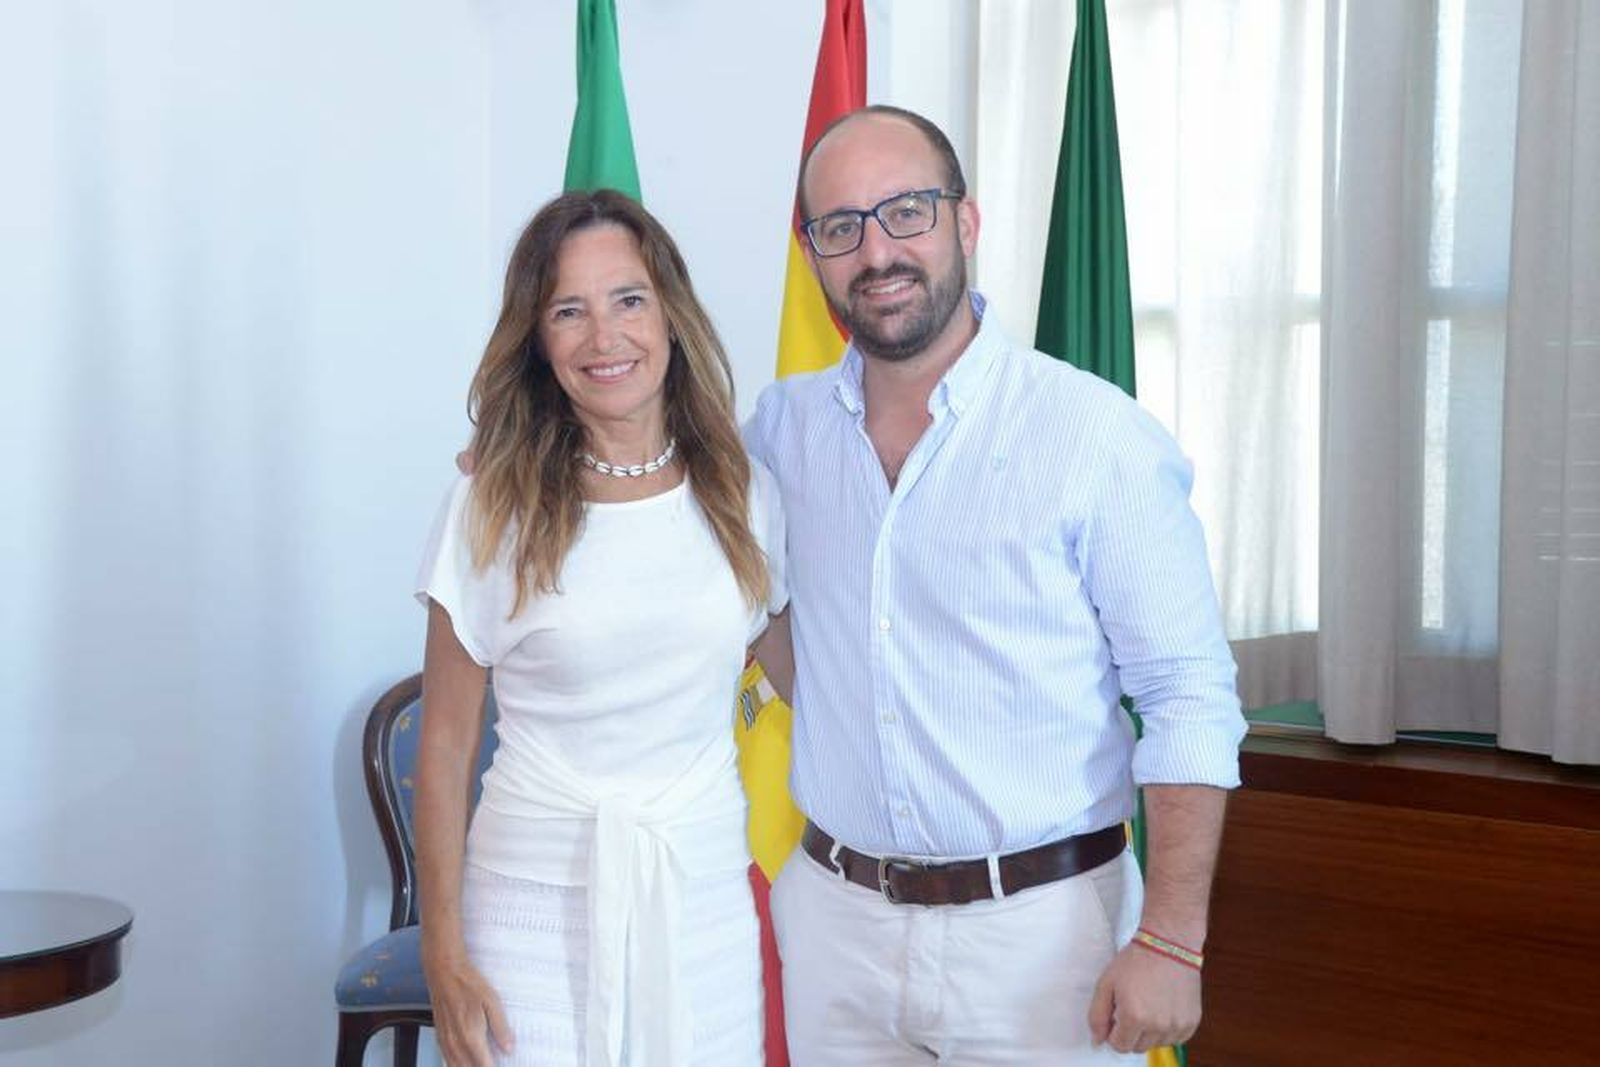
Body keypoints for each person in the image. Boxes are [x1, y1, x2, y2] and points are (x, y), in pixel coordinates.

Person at [745, 105, 1247, 1064]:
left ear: (964, 224)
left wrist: (1174, 938)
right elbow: (651, 475)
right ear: (813, 255)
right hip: (835, 932)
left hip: (1041, 941)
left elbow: (1187, 696)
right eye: (841, 227)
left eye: (906, 211)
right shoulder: (782, 432)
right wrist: (524, 451)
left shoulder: (1095, 438)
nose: (877, 249)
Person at [413, 189, 791, 1067]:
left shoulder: (743, 492)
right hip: (531, 911)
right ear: (539, 342)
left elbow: (813, 679)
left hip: (700, 905)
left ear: (670, 313)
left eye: (628, 299)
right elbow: (444, 744)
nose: (605, 337)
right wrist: (443, 953)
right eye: (568, 312)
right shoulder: (489, 505)